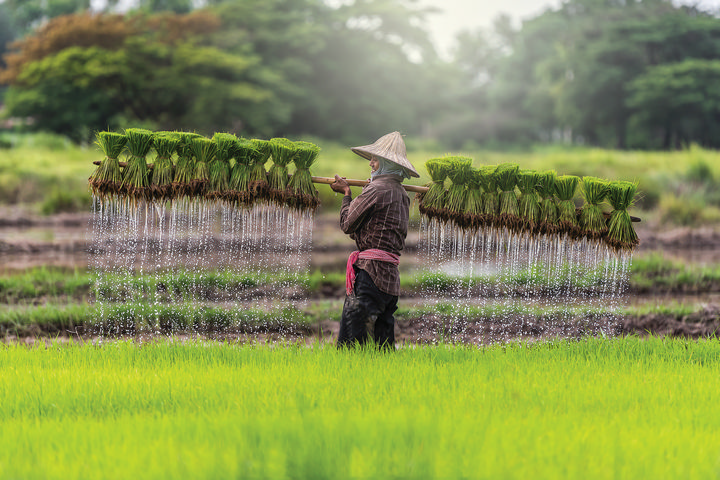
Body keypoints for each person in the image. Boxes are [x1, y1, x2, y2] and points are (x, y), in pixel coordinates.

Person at [330, 131, 420, 349]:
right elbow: (371, 229)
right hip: (390, 279)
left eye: (375, 160)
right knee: (382, 343)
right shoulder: (400, 193)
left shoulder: (376, 190)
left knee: (353, 341)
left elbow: (347, 225)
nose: (370, 163)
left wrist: (346, 194)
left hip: (371, 274)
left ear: (387, 163)